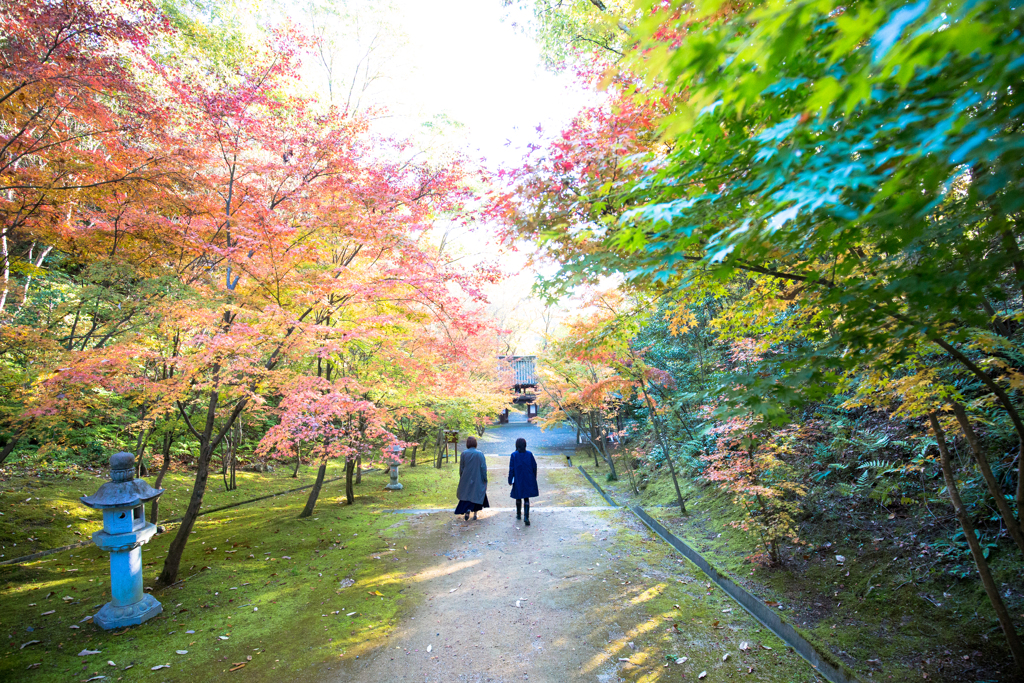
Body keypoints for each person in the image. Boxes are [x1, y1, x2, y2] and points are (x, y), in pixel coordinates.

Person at [454, 436, 488, 521]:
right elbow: (483, 467)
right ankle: (475, 513)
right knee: (476, 494)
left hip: (466, 477)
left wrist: (462, 477)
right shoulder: (479, 454)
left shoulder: (464, 454)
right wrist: (485, 479)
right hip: (477, 477)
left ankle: (467, 511)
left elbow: (461, 468)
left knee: (467, 494)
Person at [508, 437, 538, 526]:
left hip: (518, 478)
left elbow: (511, 469)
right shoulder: (529, 454)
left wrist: (510, 479)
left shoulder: (514, 455)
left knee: (518, 496)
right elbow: (534, 466)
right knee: (526, 498)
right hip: (528, 478)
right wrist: (534, 477)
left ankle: (518, 514)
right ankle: (526, 517)